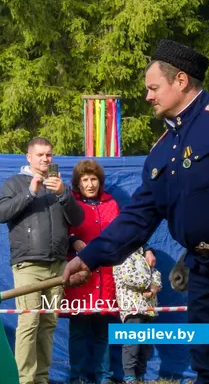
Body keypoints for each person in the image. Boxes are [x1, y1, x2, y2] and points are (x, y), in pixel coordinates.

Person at [64, 40, 209, 383]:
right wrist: (89, 258)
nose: (148, 97)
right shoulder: (162, 151)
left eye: (154, 88)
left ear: (181, 81)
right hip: (203, 273)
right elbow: (139, 216)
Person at [0, 137, 83, 384]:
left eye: (49, 155)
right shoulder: (14, 183)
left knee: (47, 324)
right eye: (41, 155)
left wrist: (64, 194)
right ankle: (24, 380)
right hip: (29, 265)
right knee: (29, 321)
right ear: (28, 157)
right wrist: (30, 192)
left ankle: (41, 379)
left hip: (57, 265)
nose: (46, 159)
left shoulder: (59, 187)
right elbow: (0, 214)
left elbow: (76, 219)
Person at [65, 160, 120, 384]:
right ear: (78, 183)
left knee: (103, 333)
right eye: (85, 180)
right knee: (78, 331)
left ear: (100, 181)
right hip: (80, 277)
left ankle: (104, 377)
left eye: (94, 179)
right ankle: (77, 377)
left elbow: (123, 234)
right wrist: (74, 241)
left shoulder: (111, 204)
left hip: (106, 277)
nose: (90, 184)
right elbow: (62, 231)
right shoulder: (71, 204)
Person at [113, 246, 161, 384]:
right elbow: (128, 277)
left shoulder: (145, 256)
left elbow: (157, 274)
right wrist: (149, 285)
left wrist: (154, 288)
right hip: (132, 309)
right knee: (132, 344)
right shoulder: (122, 255)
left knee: (146, 346)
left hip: (149, 309)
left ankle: (140, 376)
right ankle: (129, 376)